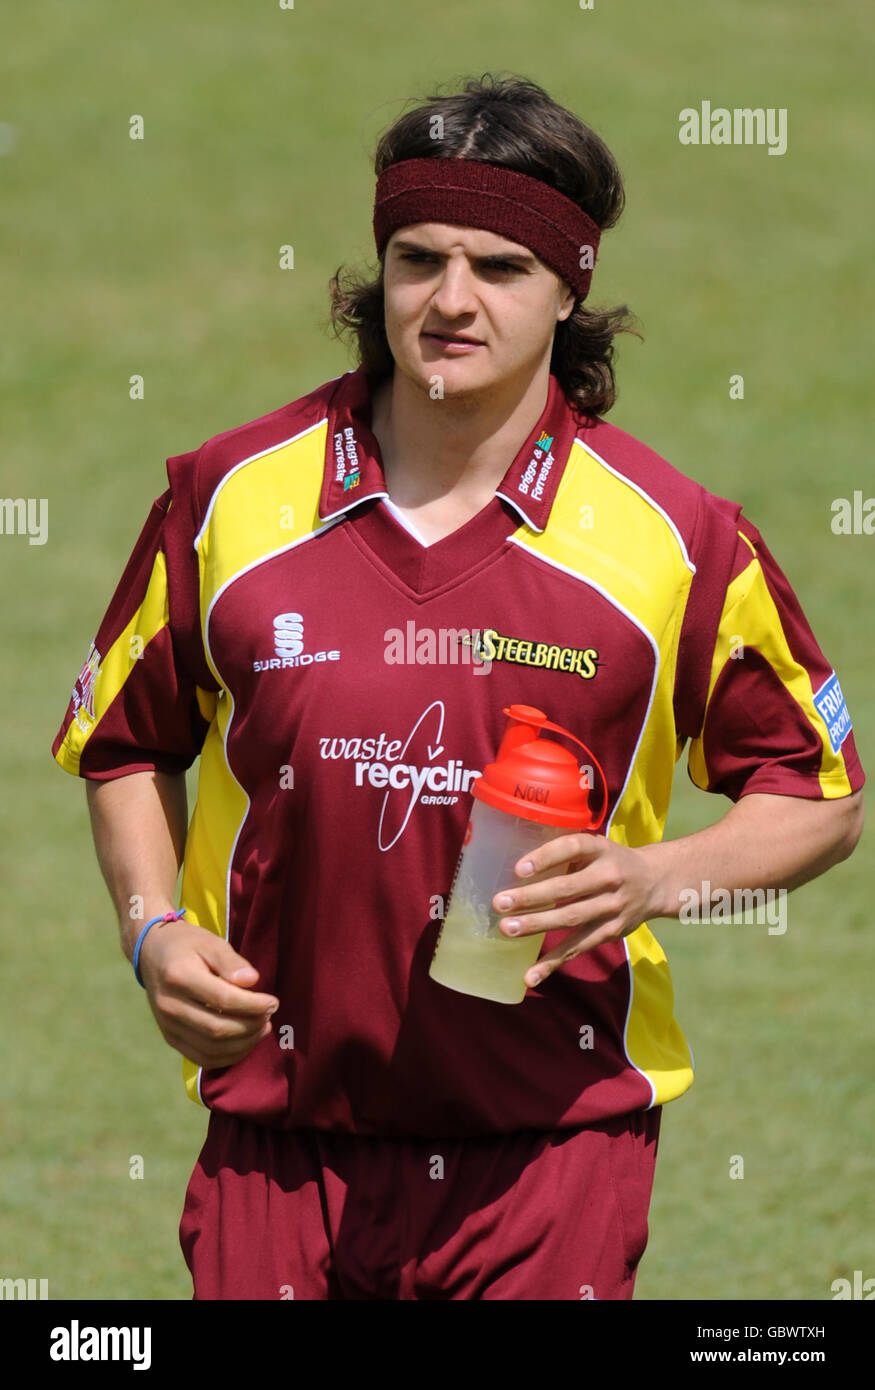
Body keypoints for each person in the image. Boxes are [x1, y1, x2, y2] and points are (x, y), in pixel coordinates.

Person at [51, 73, 864, 1301]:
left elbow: (817, 788)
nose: (447, 299)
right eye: (416, 257)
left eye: (499, 267)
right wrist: (150, 929)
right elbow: (124, 739)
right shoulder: (227, 498)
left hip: (548, 1146)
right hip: (280, 1139)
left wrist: (654, 877)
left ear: (567, 288)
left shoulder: (674, 540)